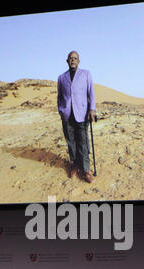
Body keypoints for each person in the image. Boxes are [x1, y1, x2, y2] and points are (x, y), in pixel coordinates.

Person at [57, 51, 96, 183]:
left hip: (82, 113)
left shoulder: (86, 74)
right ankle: (74, 164)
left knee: (83, 142)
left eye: (75, 58)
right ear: (67, 61)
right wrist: (61, 110)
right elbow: (60, 97)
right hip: (67, 115)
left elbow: (91, 92)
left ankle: (85, 170)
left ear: (79, 61)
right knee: (71, 142)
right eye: (70, 58)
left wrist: (92, 109)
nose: (73, 60)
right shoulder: (61, 78)